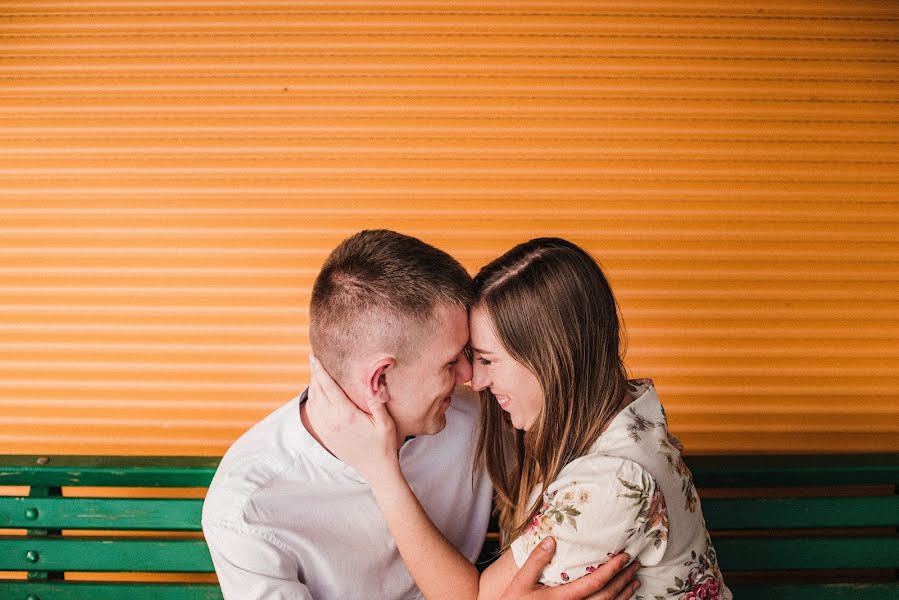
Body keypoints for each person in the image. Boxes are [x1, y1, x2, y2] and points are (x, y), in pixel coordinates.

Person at [202, 230, 639, 600]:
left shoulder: (481, 420)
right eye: (451, 363)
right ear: (380, 380)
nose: (470, 377)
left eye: (472, 356)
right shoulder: (248, 507)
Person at [310, 237, 732, 600]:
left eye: (488, 360)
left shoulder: (612, 484)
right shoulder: (621, 413)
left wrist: (381, 469)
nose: (475, 380)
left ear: (550, 360)